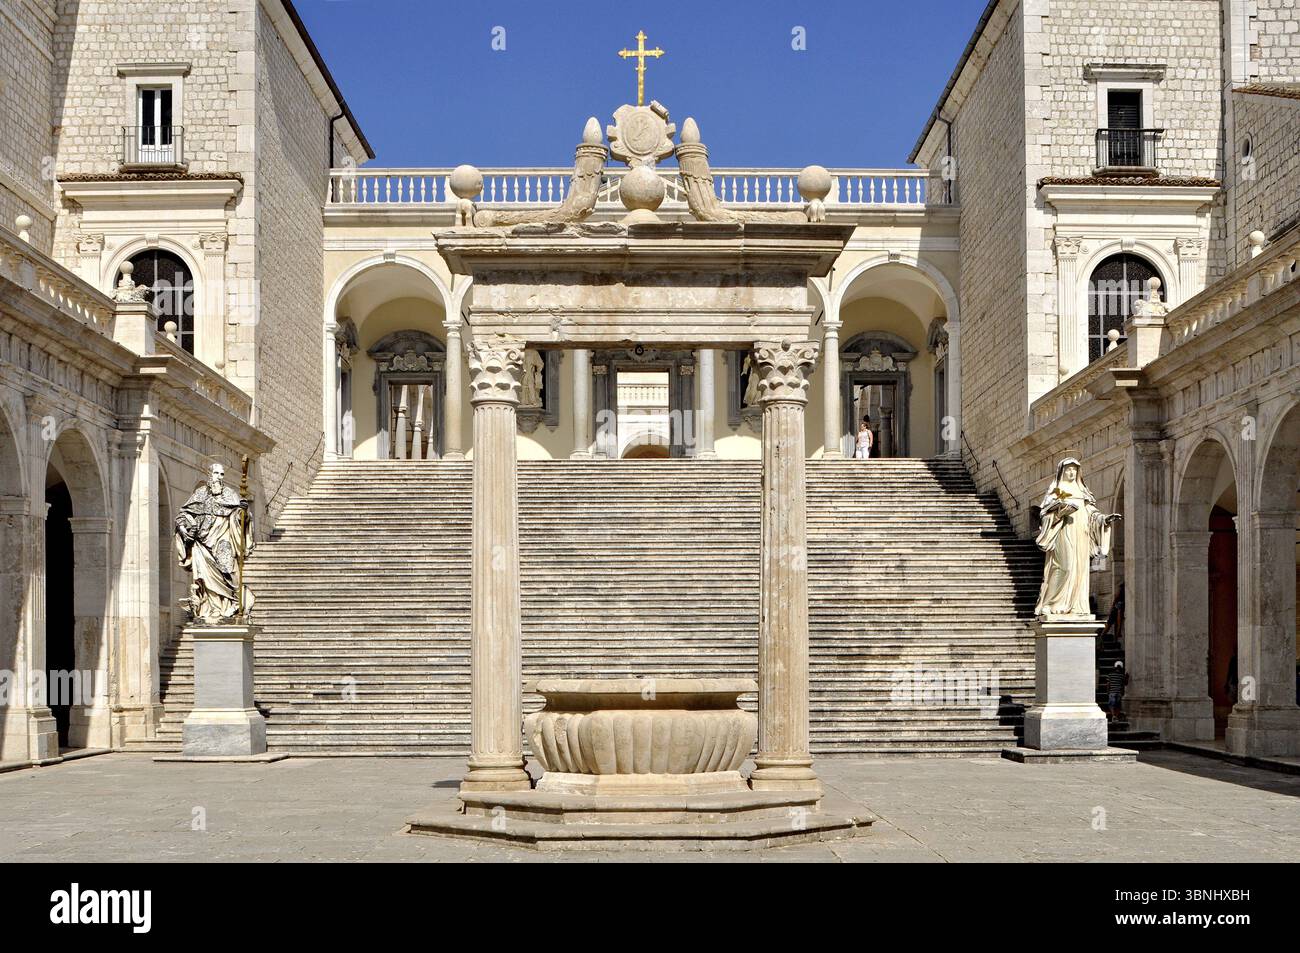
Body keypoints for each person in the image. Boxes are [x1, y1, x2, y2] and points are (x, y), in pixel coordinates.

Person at [1033, 457, 1121, 617]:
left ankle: (1074, 606)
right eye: (1068, 469)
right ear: (1062, 471)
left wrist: (1104, 519)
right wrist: (1060, 513)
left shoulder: (1083, 492)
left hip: (1081, 535)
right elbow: (1044, 515)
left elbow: (1092, 514)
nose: (1072, 472)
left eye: (1074, 469)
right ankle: (1051, 603)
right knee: (1063, 567)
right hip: (1063, 533)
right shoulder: (1055, 492)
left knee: (1079, 570)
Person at [175, 462, 253, 624]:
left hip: (223, 539)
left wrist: (243, 511)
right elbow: (183, 515)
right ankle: (211, 609)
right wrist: (184, 529)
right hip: (202, 544)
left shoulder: (230, 494)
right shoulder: (200, 494)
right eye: (217, 473)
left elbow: (241, 517)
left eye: (222, 474)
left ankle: (232, 603)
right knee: (205, 578)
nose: (220, 477)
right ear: (209, 475)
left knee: (228, 571)